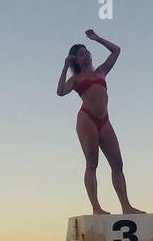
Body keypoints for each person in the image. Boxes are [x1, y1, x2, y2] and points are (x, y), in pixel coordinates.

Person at [57, 29, 142, 215]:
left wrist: (97, 39)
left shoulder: (101, 71)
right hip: (87, 118)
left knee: (117, 163)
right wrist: (65, 67)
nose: (85, 54)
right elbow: (61, 91)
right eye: (81, 54)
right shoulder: (76, 79)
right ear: (76, 60)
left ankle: (126, 206)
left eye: (86, 51)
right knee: (92, 163)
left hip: (104, 120)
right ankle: (96, 207)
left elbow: (116, 51)